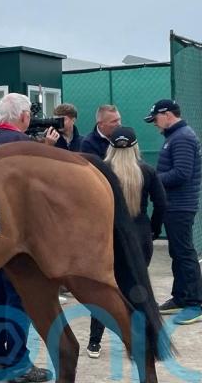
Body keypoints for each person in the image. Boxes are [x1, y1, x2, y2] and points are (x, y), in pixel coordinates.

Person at [0, 93, 53, 383]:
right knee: (18, 297)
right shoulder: (25, 145)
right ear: (23, 117)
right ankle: (18, 363)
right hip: (17, 236)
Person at [86, 126, 167, 358]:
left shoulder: (100, 171)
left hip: (109, 235)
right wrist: (153, 229)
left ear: (110, 147)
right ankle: (138, 344)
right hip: (139, 235)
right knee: (137, 289)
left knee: (105, 287)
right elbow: (161, 203)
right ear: (135, 146)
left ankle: (94, 342)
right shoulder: (147, 171)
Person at [145, 99, 202, 325]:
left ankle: (195, 303)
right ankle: (181, 297)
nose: (154, 124)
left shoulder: (182, 137)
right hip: (174, 205)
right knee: (177, 252)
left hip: (181, 206)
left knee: (184, 253)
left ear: (167, 115)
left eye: (156, 119)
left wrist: (152, 178)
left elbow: (181, 174)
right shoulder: (175, 136)